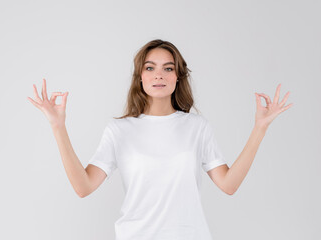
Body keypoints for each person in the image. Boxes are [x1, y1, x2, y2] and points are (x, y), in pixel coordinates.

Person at [27, 39, 293, 240]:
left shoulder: (196, 126)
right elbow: (83, 186)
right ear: (140, 76)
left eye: (168, 68)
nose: (159, 75)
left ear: (177, 77)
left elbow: (228, 184)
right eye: (150, 67)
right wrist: (58, 126)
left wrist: (260, 127)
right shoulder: (120, 130)